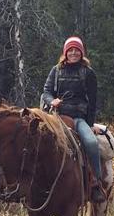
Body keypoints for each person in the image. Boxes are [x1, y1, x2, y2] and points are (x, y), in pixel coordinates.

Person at [41, 36, 106, 203]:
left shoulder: (88, 73)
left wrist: (90, 125)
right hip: (56, 118)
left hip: (78, 118)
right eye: (70, 50)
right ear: (65, 52)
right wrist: (51, 101)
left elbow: (92, 101)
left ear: (82, 52)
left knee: (91, 143)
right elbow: (46, 92)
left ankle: (96, 183)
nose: (74, 52)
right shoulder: (56, 70)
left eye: (77, 50)